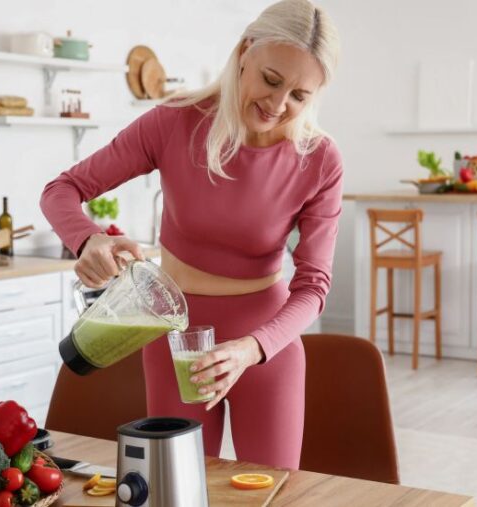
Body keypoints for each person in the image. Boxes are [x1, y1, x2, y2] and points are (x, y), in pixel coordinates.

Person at [41, 0, 341, 470]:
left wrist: (250, 349)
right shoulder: (175, 122)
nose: (279, 105)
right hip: (173, 336)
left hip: (265, 349)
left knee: (270, 498)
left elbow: (313, 285)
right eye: (271, 79)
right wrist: (88, 239)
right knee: (176, 492)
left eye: (300, 95)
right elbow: (63, 189)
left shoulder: (319, 159)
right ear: (245, 52)